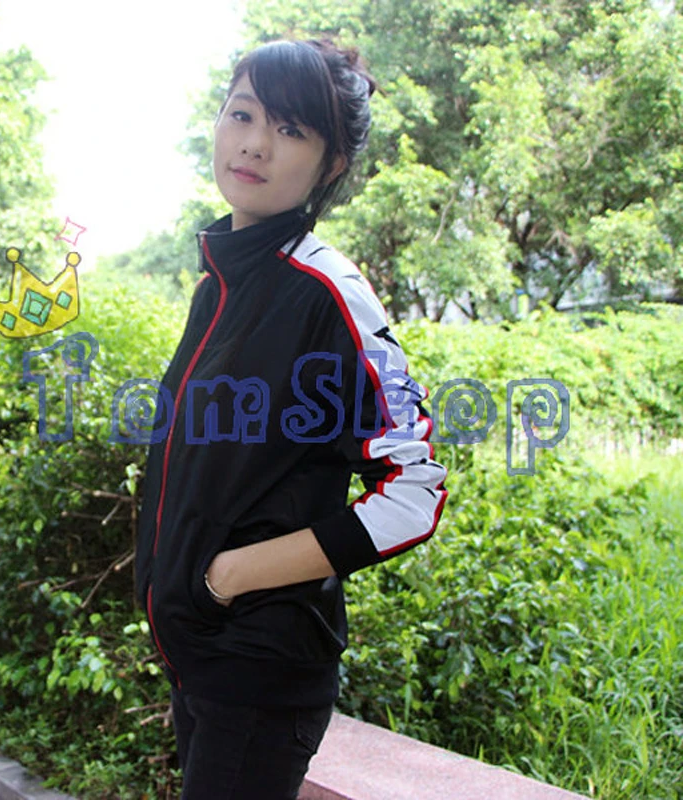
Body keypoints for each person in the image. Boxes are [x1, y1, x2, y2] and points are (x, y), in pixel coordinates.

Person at [135, 37, 448, 800]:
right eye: (242, 114)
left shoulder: (327, 294)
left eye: (291, 129)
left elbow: (414, 492)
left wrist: (228, 577)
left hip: (259, 670)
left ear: (331, 165)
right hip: (203, 658)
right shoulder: (223, 282)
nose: (254, 144)